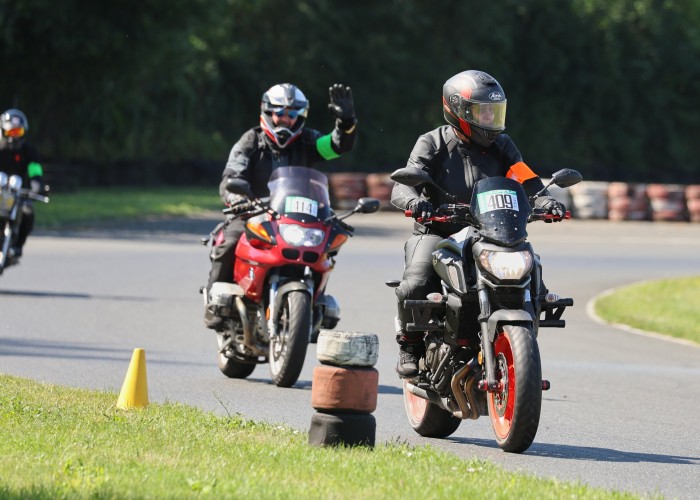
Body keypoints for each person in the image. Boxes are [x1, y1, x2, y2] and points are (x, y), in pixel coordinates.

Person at [390, 70, 565, 378]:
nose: (490, 119)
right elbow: (403, 183)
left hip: (490, 231)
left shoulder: (503, 145)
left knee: (529, 263)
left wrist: (545, 201)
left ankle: (530, 314)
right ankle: (410, 344)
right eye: (483, 111)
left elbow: (527, 179)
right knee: (417, 281)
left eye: (494, 111)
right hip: (439, 230)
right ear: (457, 110)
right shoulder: (432, 142)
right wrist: (415, 203)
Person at [204, 82, 357, 330]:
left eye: (292, 113)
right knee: (230, 242)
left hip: (296, 218)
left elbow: (337, 146)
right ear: (267, 111)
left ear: (300, 116)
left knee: (329, 245)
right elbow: (231, 177)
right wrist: (238, 200)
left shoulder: (308, 141)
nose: (285, 118)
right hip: (253, 214)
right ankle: (216, 303)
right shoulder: (251, 141)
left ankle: (314, 305)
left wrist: (346, 123)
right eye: (280, 112)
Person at [0, 108, 46, 258]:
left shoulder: (29, 152)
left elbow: (35, 173)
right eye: (10, 133)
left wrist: (37, 188)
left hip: (19, 194)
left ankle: (18, 245)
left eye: (17, 133)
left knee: (28, 212)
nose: (14, 138)